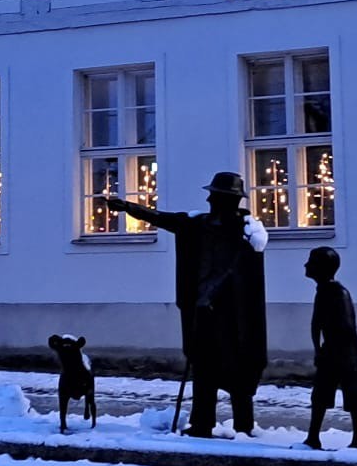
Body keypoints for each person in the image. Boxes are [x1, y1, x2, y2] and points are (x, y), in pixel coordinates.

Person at [103, 171, 267, 438]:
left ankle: (243, 425)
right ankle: (202, 422)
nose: (209, 199)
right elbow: (160, 218)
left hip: (234, 317)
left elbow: (246, 276)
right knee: (203, 368)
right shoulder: (197, 225)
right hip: (200, 312)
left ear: (228, 200)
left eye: (215, 195)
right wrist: (128, 207)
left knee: (239, 368)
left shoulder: (247, 232)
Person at [303, 245, 357, 450]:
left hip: (342, 353)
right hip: (330, 351)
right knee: (319, 396)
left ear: (321, 267)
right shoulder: (324, 291)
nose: (306, 265)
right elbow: (316, 324)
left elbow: (346, 327)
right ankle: (313, 437)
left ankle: (356, 441)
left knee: (352, 395)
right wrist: (318, 349)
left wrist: (336, 354)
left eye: (310, 262)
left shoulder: (338, 293)